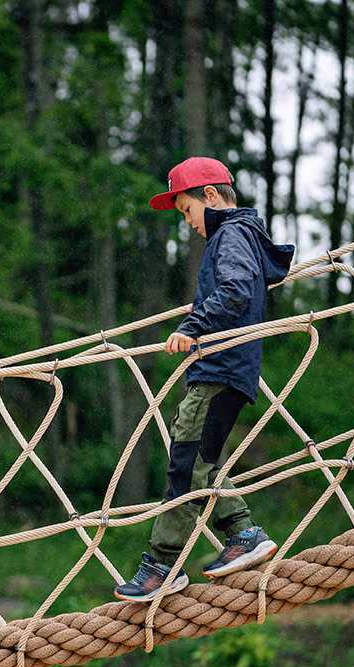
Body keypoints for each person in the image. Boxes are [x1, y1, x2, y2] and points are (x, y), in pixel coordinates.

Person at [114, 157, 295, 602]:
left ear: (210, 196)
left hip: (221, 368)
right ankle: (243, 533)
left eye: (187, 210)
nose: (188, 222)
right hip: (224, 370)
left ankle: (162, 565)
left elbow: (235, 289)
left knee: (186, 462)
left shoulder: (230, 235)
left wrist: (193, 326)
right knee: (199, 460)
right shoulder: (241, 236)